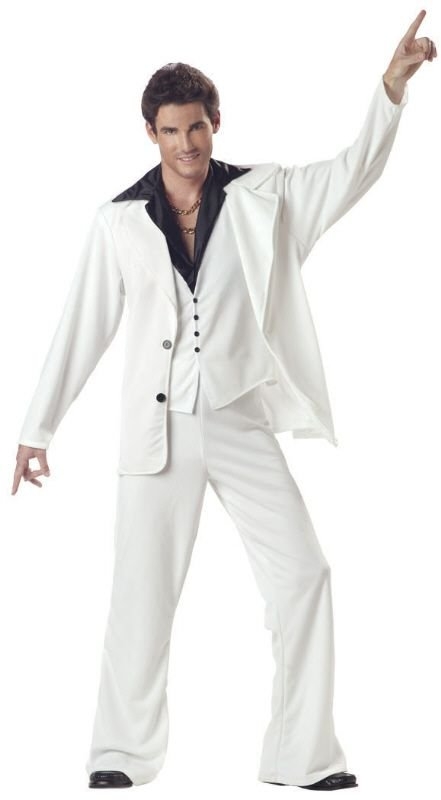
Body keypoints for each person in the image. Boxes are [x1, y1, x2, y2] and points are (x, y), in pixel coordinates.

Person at [11, 9, 436, 791]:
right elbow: (82, 325)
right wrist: (37, 428)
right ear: (150, 132)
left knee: (303, 575)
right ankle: (119, 754)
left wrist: (389, 88)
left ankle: (303, 756)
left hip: (240, 420)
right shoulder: (117, 221)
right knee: (140, 597)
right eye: (172, 131)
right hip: (156, 432)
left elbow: (351, 173)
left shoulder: (264, 196)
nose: (187, 144)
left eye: (198, 127)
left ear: (216, 123)